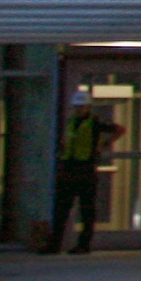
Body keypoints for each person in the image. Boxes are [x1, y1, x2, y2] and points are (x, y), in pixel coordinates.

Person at [48, 91, 118, 254]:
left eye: (82, 106)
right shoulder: (71, 122)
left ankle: (84, 245)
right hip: (69, 167)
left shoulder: (94, 123)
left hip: (85, 168)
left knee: (87, 209)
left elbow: (119, 129)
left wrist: (103, 146)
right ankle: (55, 244)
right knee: (61, 209)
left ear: (88, 107)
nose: (79, 109)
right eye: (77, 107)